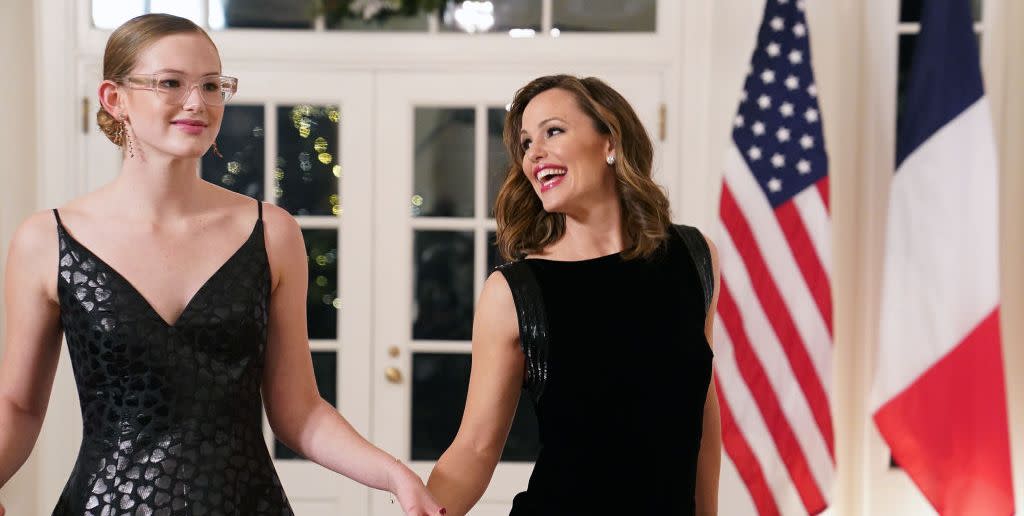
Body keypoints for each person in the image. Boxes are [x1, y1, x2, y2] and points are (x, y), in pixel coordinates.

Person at [0, 14, 443, 515]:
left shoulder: (272, 233)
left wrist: (394, 475)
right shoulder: (47, 239)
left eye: (211, 85)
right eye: (170, 83)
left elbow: (298, 411)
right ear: (114, 98)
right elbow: (17, 406)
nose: (197, 102)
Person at [426, 74, 722, 515]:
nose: (534, 154)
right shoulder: (514, 292)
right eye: (526, 143)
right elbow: (475, 448)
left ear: (610, 142)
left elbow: (701, 412)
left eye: (553, 131)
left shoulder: (694, 256)